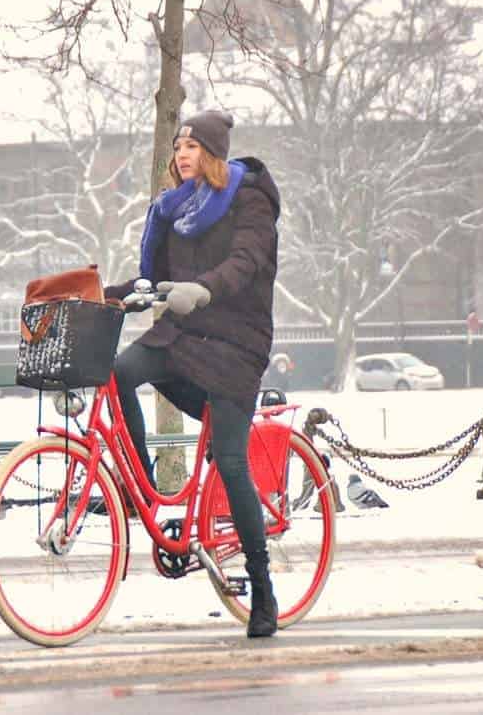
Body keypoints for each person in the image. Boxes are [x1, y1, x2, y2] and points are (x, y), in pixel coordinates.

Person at [103, 109, 283, 639]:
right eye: (178, 146)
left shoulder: (250, 199)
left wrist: (204, 288)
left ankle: (263, 589)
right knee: (119, 372)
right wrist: (108, 294)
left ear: (214, 154)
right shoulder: (173, 209)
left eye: (192, 146)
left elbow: (247, 261)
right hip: (182, 336)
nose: (182, 154)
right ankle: (140, 489)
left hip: (235, 344)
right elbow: (153, 279)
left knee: (230, 461)